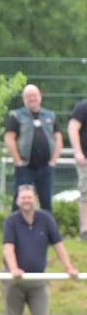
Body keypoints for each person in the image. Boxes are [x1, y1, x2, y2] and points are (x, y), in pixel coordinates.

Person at [1, 183, 78, 315]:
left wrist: (68, 267)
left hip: (38, 280)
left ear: (35, 199)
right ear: (18, 201)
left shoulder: (46, 219)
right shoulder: (11, 221)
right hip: (15, 281)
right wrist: (14, 269)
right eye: (23, 198)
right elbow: (8, 247)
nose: (26, 201)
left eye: (29, 197)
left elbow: (58, 245)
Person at [4, 84, 61, 212]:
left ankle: (46, 225)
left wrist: (54, 160)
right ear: (24, 99)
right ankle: (16, 225)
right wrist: (18, 160)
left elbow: (58, 138)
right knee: (20, 201)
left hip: (46, 167)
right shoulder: (17, 116)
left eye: (34, 95)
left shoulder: (50, 116)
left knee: (46, 202)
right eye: (28, 96)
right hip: (25, 166)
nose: (32, 98)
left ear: (40, 97)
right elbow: (9, 138)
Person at [71, 94, 87, 238]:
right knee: (86, 194)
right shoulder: (83, 106)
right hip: (85, 159)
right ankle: (85, 230)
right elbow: (73, 128)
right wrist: (78, 152)